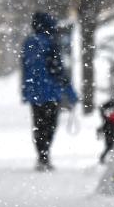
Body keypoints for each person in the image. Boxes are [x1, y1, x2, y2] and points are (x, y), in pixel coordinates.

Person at [20, 12, 78, 171]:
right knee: (50, 124)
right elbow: (58, 70)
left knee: (38, 124)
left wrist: (25, 91)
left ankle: (42, 156)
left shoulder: (28, 43)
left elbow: (25, 68)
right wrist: (71, 94)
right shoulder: (51, 43)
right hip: (51, 91)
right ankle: (45, 155)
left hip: (35, 92)